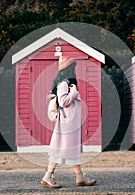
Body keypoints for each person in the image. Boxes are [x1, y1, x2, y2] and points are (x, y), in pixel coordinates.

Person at [41, 55, 96, 189]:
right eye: (73, 67)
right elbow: (63, 101)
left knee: (70, 149)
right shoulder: (64, 84)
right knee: (62, 149)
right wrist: (74, 93)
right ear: (69, 69)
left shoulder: (65, 83)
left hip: (70, 121)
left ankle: (79, 177)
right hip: (68, 122)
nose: (75, 70)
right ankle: (48, 176)